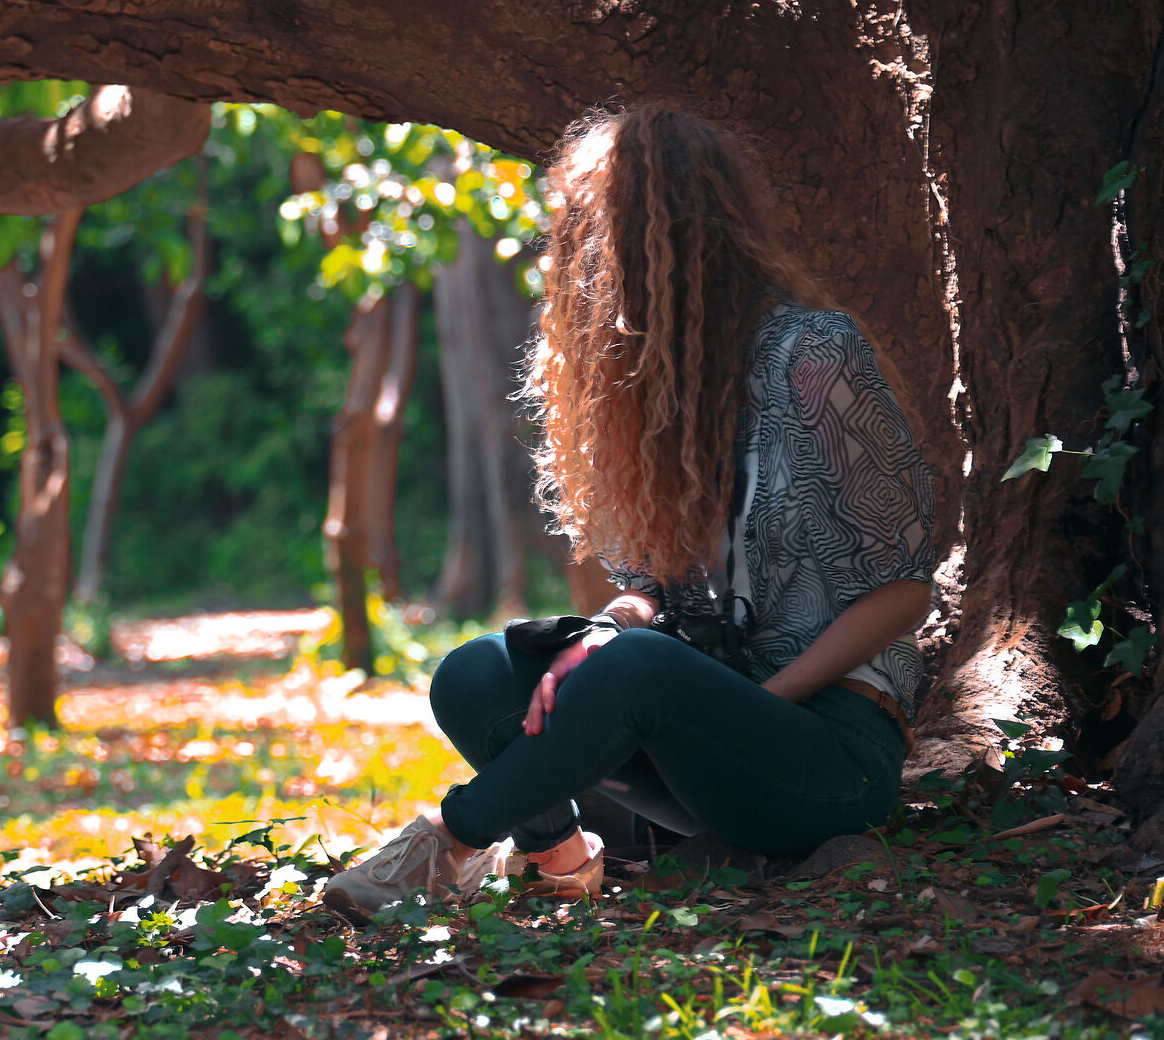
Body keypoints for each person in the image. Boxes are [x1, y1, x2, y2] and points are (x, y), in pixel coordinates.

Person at [323, 106, 935, 923]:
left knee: (640, 668)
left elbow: (905, 592)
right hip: (700, 750)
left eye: (593, 235)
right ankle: (560, 856)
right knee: (476, 671)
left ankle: (451, 839)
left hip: (829, 753)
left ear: (670, 239)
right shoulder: (652, 392)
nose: (575, 263)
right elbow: (654, 590)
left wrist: (748, 703)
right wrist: (603, 633)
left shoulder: (815, 356)